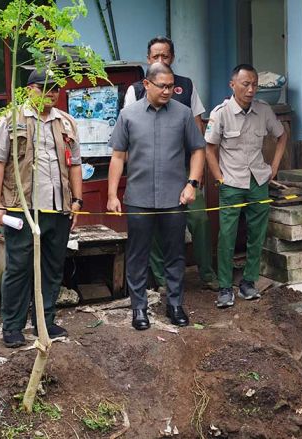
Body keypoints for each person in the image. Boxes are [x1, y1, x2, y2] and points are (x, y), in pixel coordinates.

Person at [0, 68, 83, 348]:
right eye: (44, 88)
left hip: (58, 208)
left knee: (53, 267)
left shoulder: (67, 122)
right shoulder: (11, 120)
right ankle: (13, 326)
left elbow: (75, 164)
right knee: (19, 267)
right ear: (30, 90)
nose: (50, 93)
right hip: (22, 208)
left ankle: (46, 321)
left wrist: (76, 201)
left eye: (55, 89)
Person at [107, 62, 205, 330]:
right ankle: (139, 308)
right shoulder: (128, 115)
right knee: (138, 254)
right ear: (147, 85)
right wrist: (112, 195)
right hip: (138, 198)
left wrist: (192, 184)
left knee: (175, 253)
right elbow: (117, 156)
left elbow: (198, 150)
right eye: (162, 86)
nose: (167, 91)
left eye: (171, 86)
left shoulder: (183, 114)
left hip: (175, 198)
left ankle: (174, 304)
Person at [124, 36, 218, 292]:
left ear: (172, 58)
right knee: (154, 223)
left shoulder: (185, 86)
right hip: (148, 171)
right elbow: (128, 135)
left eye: (165, 56)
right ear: (147, 59)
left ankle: (206, 273)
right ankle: (163, 279)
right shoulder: (136, 90)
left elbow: (199, 125)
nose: (160, 60)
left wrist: (197, 175)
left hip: (185, 168)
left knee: (198, 219)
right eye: (155, 56)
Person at [205, 64, 288, 309]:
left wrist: (273, 167)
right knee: (227, 235)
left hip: (258, 181)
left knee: (257, 234)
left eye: (254, 85)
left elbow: (281, 135)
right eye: (245, 84)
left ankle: (248, 283)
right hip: (231, 182)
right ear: (233, 85)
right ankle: (224, 287)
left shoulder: (263, 111)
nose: (251, 90)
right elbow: (209, 148)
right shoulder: (220, 113)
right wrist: (219, 177)